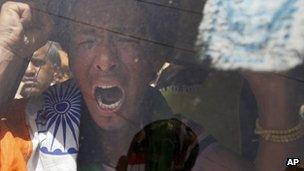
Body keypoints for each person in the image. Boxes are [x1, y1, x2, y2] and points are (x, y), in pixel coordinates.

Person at [0, 1, 302, 171]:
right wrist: (7, 46)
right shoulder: (28, 130)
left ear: (156, 58)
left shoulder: (181, 144)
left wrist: (277, 98)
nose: (105, 60)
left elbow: (293, 165)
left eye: (127, 38)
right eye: (87, 40)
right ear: (71, 56)